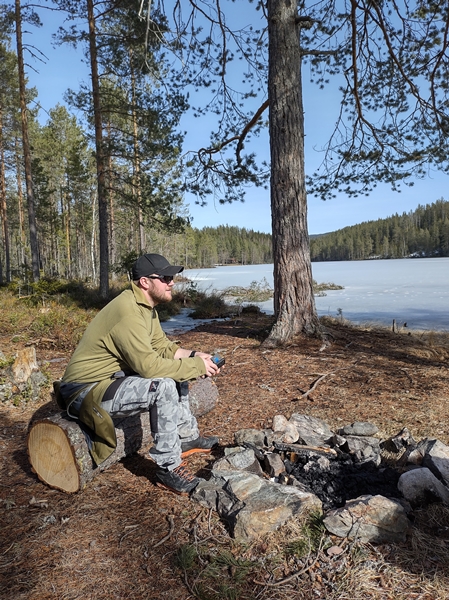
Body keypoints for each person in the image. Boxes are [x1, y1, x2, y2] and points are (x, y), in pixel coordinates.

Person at [54, 253, 221, 495]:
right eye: (165, 277)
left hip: (111, 379)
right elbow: (150, 368)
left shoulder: (146, 307)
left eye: (171, 277)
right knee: (162, 386)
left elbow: (163, 348)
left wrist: (196, 356)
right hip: (85, 390)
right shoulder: (127, 312)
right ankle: (168, 468)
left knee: (179, 371)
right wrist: (195, 367)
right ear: (145, 282)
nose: (172, 282)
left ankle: (185, 438)